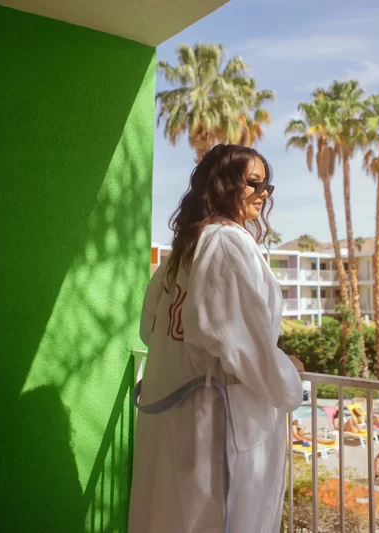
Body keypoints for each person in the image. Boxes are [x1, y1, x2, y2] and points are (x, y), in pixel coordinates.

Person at [128, 144, 305, 533]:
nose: (264, 193)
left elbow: (150, 330)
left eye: (267, 185)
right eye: (254, 183)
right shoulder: (226, 243)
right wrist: (288, 375)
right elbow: (243, 346)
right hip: (216, 432)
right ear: (223, 184)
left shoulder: (183, 251)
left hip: (179, 421)